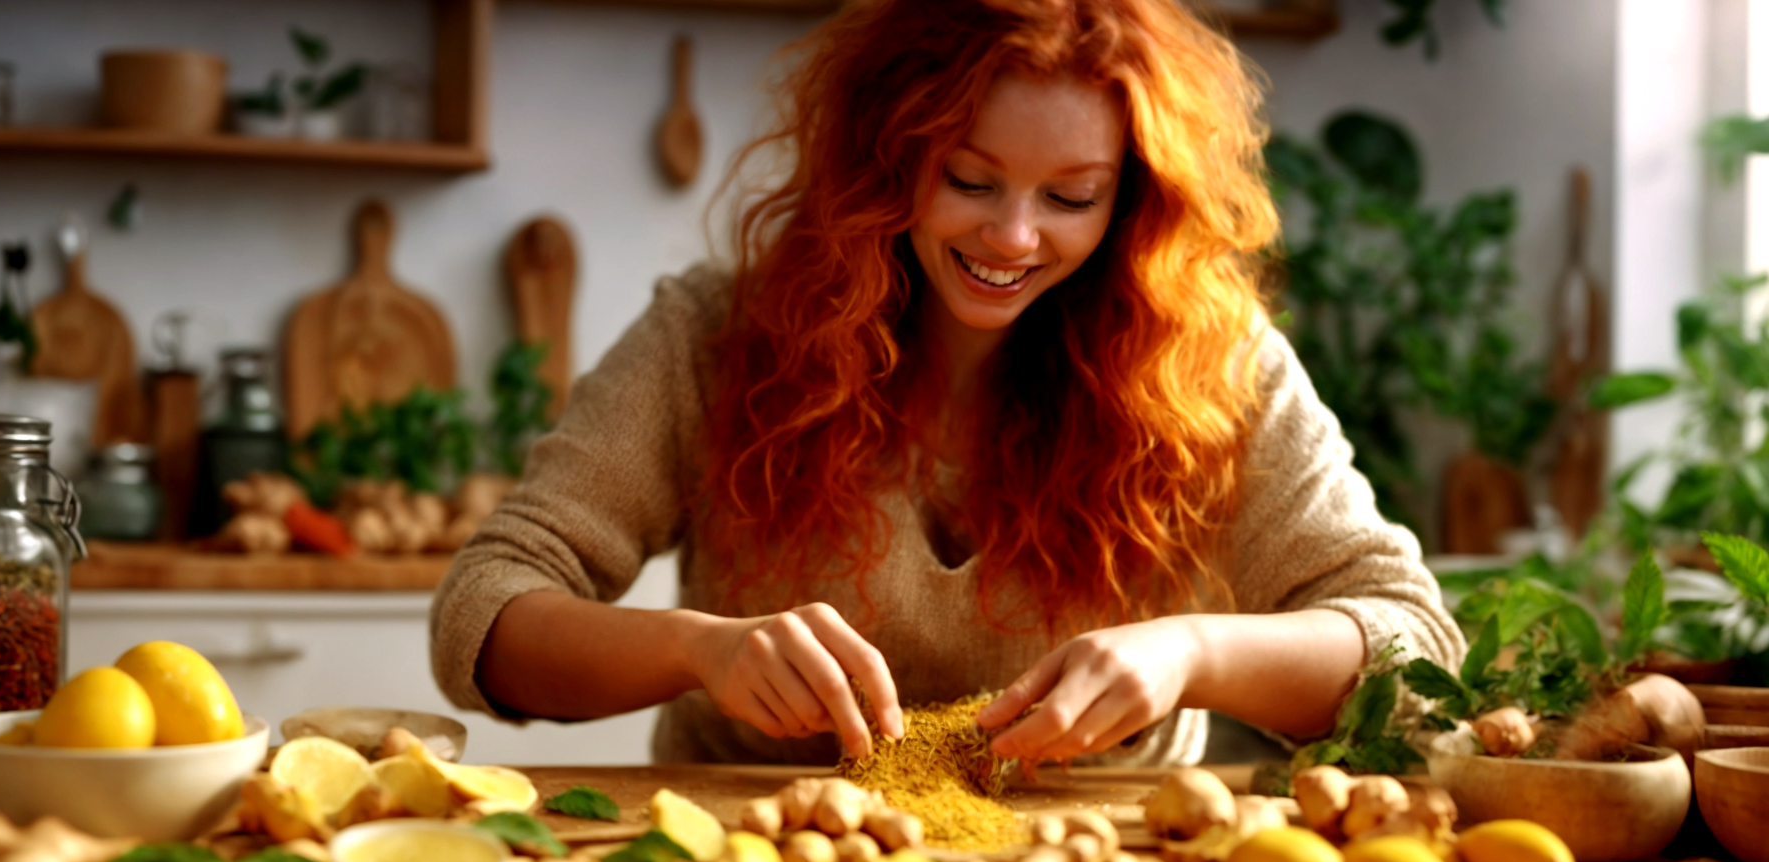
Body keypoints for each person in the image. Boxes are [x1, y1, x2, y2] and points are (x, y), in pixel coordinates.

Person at [431, 0, 1464, 768]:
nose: (1012, 238)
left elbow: (1414, 650)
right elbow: (483, 616)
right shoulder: (714, 333)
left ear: (1132, 203)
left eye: (1071, 197)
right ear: (884, 158)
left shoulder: (1210, 359)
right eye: (969, 181)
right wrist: (700, 651)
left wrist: (1192, 652)